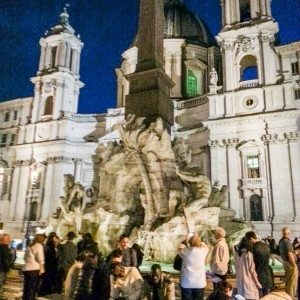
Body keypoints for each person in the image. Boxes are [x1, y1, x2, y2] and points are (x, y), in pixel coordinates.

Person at [178, 233, 208, 300]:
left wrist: (186, 240)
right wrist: (198, 238)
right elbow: (205, 246)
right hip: (200, 283)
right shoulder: (203, 251)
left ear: (189, 242)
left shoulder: (185, 251)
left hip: (186, 282)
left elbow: (179, 248)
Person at [234, 232, 262, 300]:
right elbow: (252, 271)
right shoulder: (248, 254)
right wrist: (258, 284)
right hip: (249, 283)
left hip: (240, 283)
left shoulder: (237, 254)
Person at [22, 233, 46, 300]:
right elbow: (40, 259)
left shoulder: (29, 246)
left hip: (27, 269)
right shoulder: (39, 246)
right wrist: (42, 268)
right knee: (32, 289)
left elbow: (24, 258)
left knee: (26, 289)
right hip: (34, 270)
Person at [250, 233, 274, 297]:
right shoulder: (266, 246)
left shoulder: (253, 248)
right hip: (267, 274)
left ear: (251, 238)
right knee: (266, 295)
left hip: (258, 275)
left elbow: (253, 263)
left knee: (259, 295)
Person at [278, 227, 298, 299]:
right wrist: (294, 264)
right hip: (290, 264)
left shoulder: (281, 241)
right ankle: (290, 297)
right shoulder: (287, 242)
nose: (289, 234)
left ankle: (288, 297)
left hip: (285, 263)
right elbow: (289, 254)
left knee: (288, 282)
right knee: (292, 283)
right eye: (288, 233)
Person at [38, 232, 60, 296]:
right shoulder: (49, 248)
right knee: (46, 286)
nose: (57, 239)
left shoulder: (55, 248)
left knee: (48, 286)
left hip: (51, 270)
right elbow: (48, 259)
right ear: (52, 239)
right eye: (55, 238)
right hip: (48, 270)